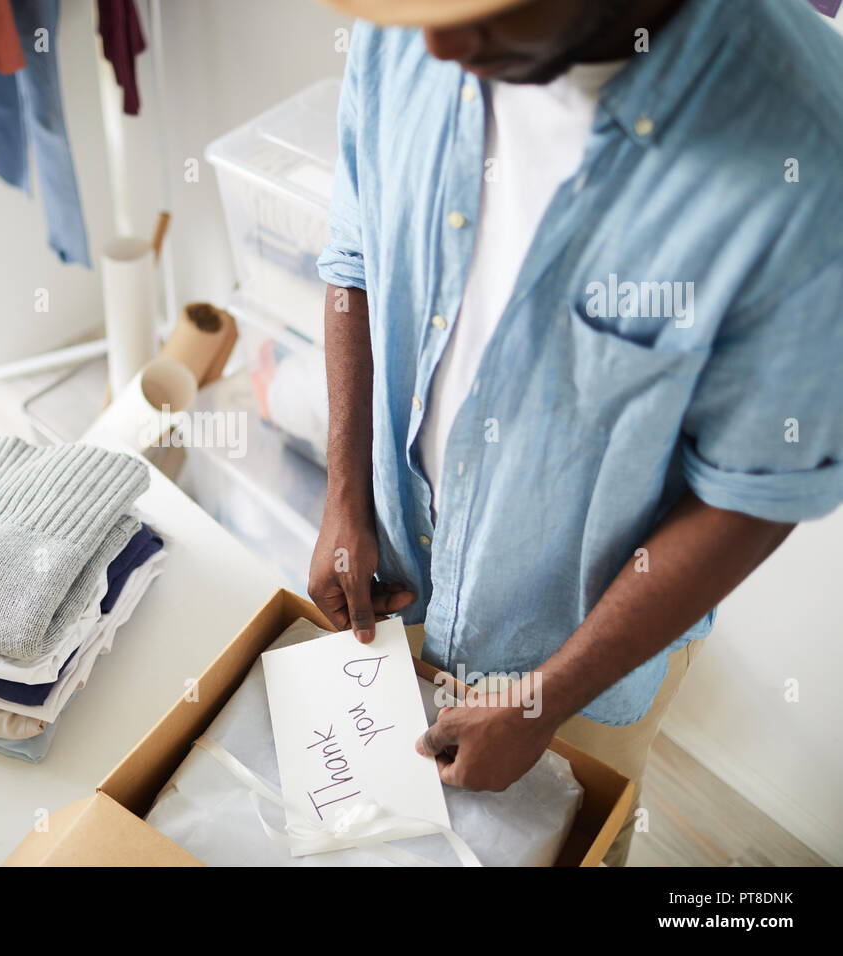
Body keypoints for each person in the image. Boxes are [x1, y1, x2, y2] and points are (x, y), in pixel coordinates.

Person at [308, 0, 843, 864]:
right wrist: (344, 493)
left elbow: (752, 496)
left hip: (581, 670)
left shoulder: (812, 152)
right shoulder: (407, 26)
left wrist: (542, 701)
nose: (439, 44)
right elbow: (354, 256)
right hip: (397, 582)